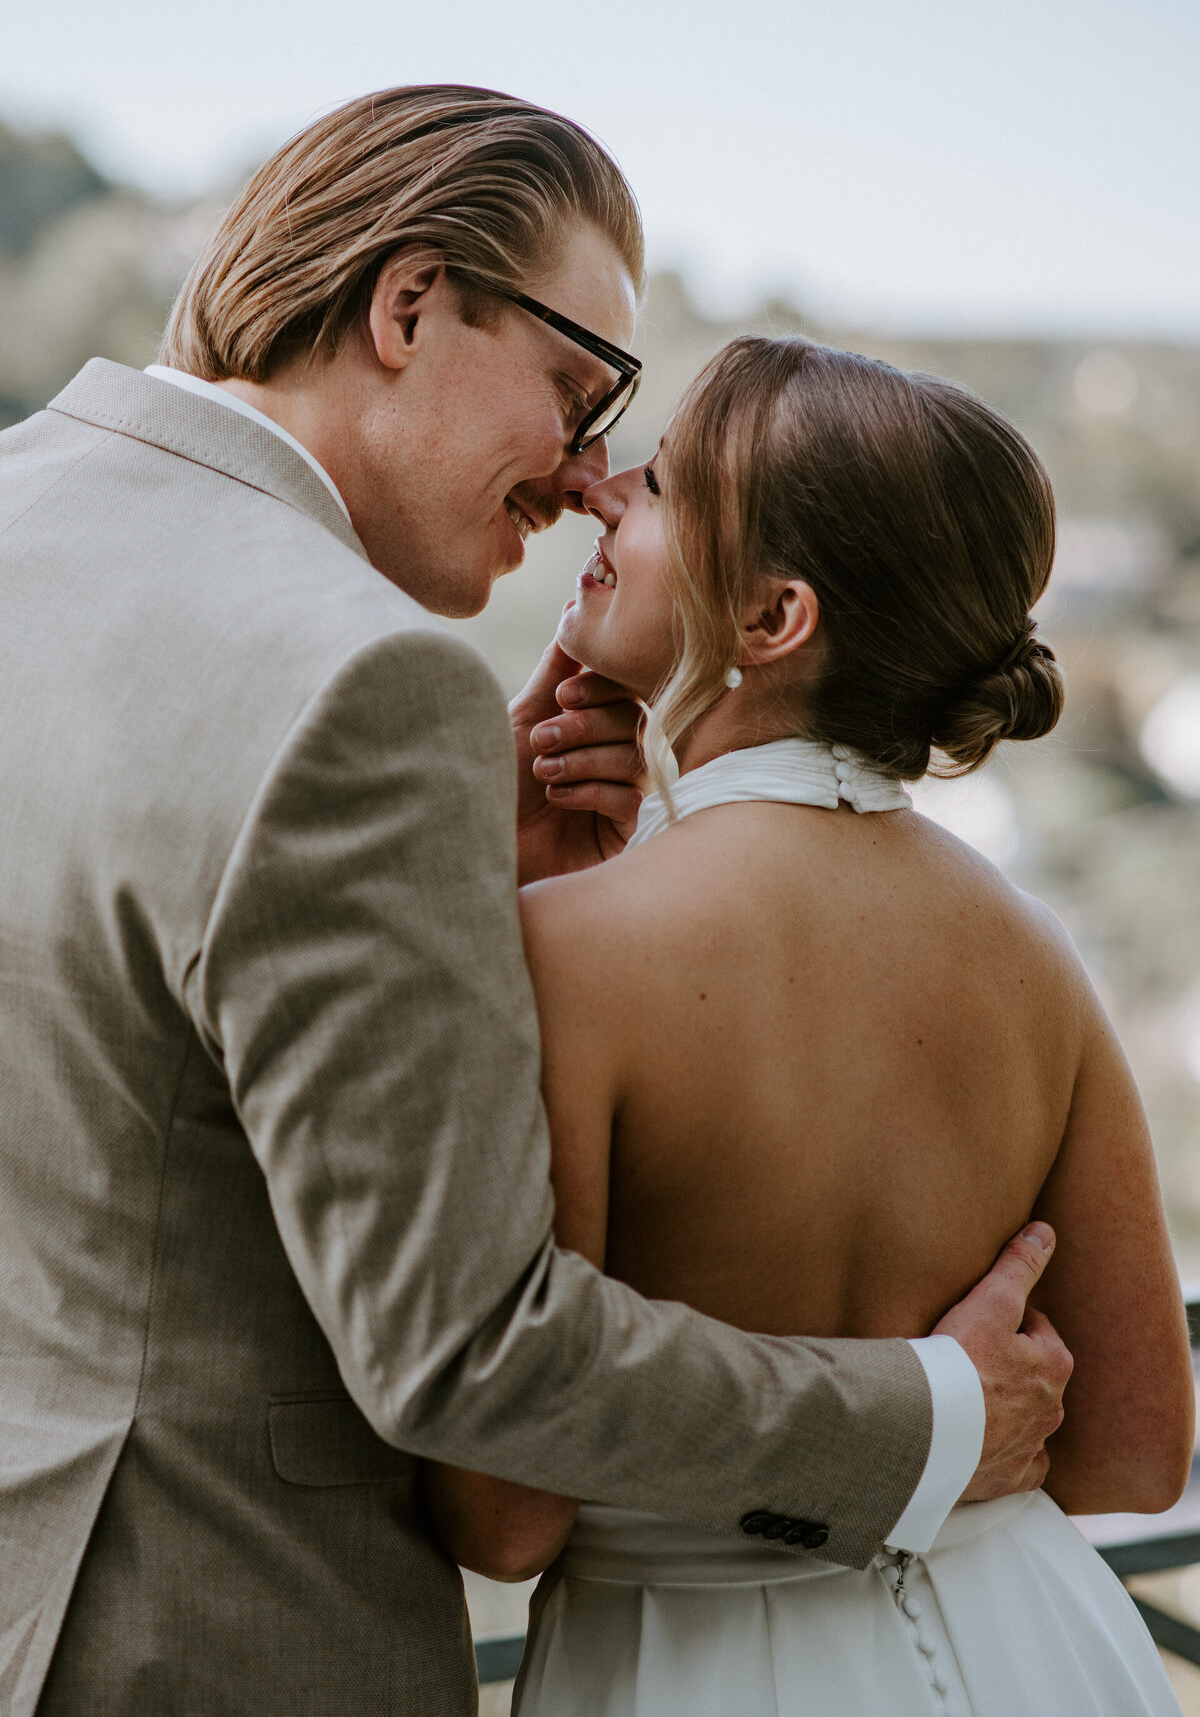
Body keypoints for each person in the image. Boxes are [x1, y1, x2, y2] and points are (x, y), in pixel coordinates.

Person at [0, 88, 1067, 1717]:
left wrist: (457, 890)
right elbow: (466, 1353)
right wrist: (925, 1421)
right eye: (579, 387)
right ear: (410, 304)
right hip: (196, 1639)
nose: (584, 474)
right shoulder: (361, 681)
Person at [427, 337, 1194, 1716]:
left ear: (773, 619)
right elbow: (1140, 1455)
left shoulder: (564, 945)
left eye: (658, 487)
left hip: (690, 1666)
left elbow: (505, 1515)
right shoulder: (1033, 947)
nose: (599, 494)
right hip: (1043, 1648)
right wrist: (937, 1415)